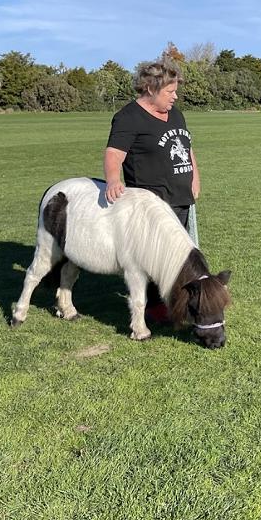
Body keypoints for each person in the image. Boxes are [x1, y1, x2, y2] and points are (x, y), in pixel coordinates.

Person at [103, 58, 201, 322]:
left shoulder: (176, 114)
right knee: (155, 258)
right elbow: (114, 154)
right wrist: (113, 180)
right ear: (150, 88)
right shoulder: (128, 118)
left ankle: (178, 301)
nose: (175, 96)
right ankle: (156, 307)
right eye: (170, 91)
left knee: (179, 256)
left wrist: (195, 177)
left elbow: (186, 146)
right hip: (153, 203)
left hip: (181, 198)